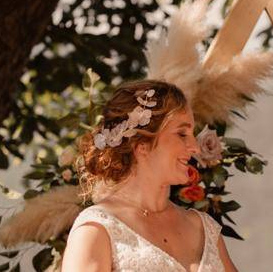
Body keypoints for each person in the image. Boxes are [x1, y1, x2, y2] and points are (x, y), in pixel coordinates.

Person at [62, 80, 237, 272]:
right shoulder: (96, 230)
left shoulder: (203, 228)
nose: (195, 147)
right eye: (182, 134)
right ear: (141, 144)